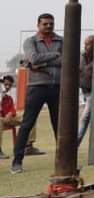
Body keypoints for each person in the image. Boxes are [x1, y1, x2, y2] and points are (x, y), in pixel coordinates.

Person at [10, 13, 62, 174]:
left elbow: (68, 59)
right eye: (45, 24)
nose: (48, 26)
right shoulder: (30, 41)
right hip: (37, 87)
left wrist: (42, 61)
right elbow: (33, 59)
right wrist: (55, 56)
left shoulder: (61, 40)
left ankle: (63, 161)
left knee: (59, 125)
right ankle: (17, 162)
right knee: (27, 124)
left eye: (51, 24)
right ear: (38, 25)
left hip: (57, 86)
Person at [1, 75, 21, 160]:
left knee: (29, 117)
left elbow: (13, 110)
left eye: (9, 85)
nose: (7, 87)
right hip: (1, 119)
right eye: (6, 84)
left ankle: (28, 145)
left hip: (9, 119)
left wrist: (10, 113)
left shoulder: (9, 98)